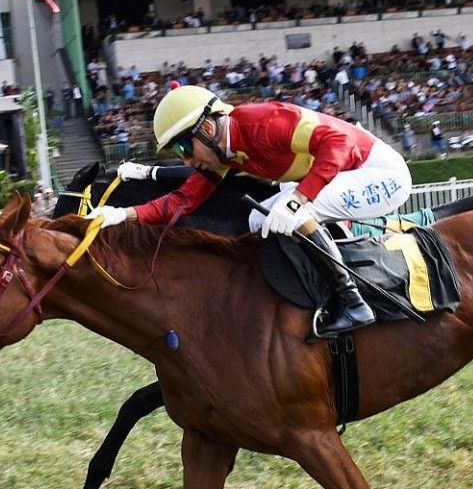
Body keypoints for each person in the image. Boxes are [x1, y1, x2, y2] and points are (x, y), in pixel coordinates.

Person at [88, 84, 412, 337]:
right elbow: (181, 201)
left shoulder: (264, 122)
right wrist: (121, 214)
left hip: (381, 173)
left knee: (292, 208)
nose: (185, 160)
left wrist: (299, 199)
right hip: (343, 174)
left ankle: (352, 303)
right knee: (259, 218)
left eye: (184, 147)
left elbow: (339, 143)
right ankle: (304, 290)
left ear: (208, 129)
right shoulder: (224, 154)